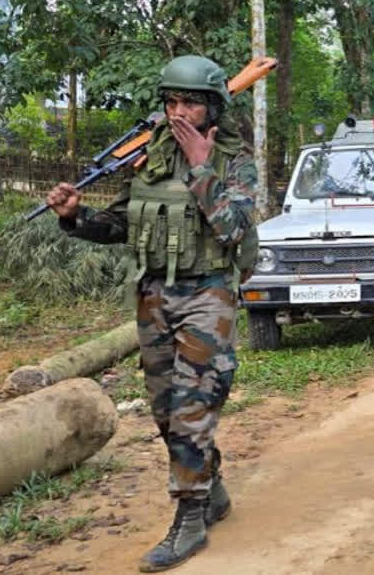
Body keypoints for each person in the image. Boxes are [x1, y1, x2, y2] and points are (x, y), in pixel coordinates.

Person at [47, 55, 259, 571]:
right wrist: (76, 217)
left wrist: (202, 166)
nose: (179, 112)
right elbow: (122, 223)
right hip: (153, 298)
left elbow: (233, 229)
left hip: (209, 295)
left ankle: (189, 519)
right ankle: (211, 490)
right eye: (171, 102)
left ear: (214, 106)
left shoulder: (235, 159)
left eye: (190, 102)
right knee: (165, 412)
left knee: (192, 407)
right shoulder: (153, 157)